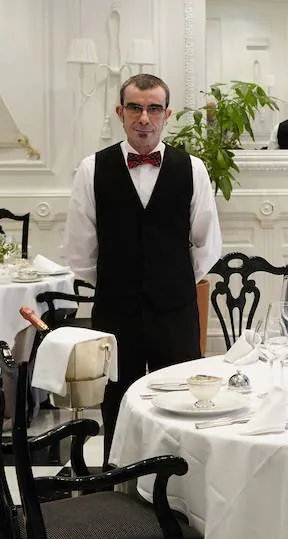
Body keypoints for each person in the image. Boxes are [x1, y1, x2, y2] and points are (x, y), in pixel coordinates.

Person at [64, 73, 222, 464]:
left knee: (181, 397)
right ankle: (119, 481)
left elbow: (207, 243)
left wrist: (171, 279)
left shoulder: (193, 169)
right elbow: (80, 249)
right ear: (121, 112)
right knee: (118, 399)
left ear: (166, 114)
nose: (144, 119)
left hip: (175, 308)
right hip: (116, 309)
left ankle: (182, 484)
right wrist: (119, 281)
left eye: (153, 109)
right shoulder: (91, 169)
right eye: (135, 108)